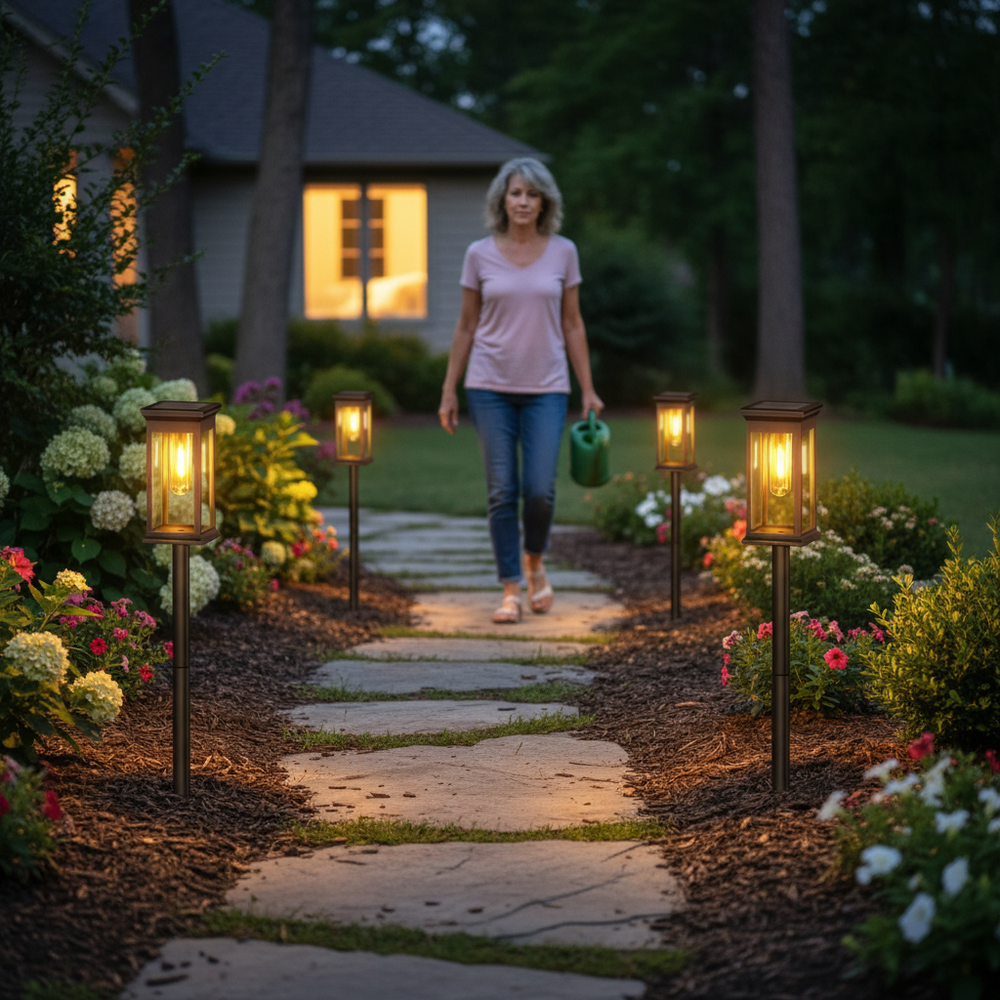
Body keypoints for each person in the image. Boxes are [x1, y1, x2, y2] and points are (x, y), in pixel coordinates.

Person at [438, 157, 604, 624]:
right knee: (501, 491)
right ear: (502, 200)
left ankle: (534, 559)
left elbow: (572, 323)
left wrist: (587, 389)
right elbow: (466, 325)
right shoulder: (479, 254)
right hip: (488, 386)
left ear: (544, 201)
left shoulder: (563, 252)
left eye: (532, 194)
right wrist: (449, 389)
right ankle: (511, 587)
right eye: (516, 193)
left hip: (547, 388)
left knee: (538, 491)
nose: (523, 202)